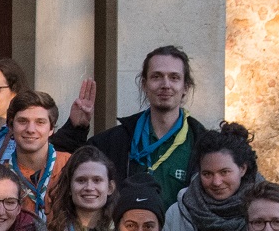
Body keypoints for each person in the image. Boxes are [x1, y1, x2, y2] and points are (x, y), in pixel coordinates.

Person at [87, 45, 212, 201]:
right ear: (145, 85)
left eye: (174, 77)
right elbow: (70, 175)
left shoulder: (205, 144)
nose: (165, 85)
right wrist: (76, 128)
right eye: (156, 76)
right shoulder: (112, 142)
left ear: (185, 87)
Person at [162, 121, 261, 231]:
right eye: (207, 174)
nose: (216, 182)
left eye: (224, 172)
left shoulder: (266, 212)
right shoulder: (176, 215)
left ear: (242, 169)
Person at [3, 92, 66, 231]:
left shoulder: (72, 167)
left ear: (52, 129)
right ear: (10, 126)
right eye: (23, 121)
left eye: (40, 122)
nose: (30, 129)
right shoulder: (0, 176)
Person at [45, 144, 118, 231]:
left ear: (110, 188)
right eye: (81, 180)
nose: (89, 187)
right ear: (69, 187)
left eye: (97, 180)